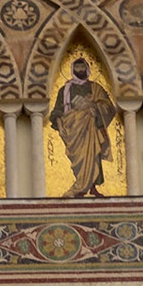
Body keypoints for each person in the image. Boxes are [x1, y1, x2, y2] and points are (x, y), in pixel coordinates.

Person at [50, 59, 117, 197]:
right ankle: (80, 185)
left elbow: (108, 106)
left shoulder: (95, 87)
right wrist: (60, 125)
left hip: (90, 127)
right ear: (73, 69)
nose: (80, 70)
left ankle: (92, 187)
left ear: (87, 69)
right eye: (77, 67)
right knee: (79, 158)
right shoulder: (65, 90)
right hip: (73, 129)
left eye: (82, 67)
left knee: (93, 155)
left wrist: (93, 107)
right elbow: (57, 111)